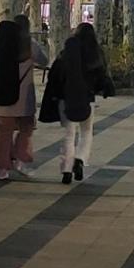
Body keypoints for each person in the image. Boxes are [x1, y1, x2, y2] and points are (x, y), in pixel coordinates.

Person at [42, 23, 115, 184]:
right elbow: (101, 77)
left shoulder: (66, 54)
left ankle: (66, 170)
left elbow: (54, 76)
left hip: (65, 100)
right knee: (86, 132)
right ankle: (80, 159)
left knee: (68, 135)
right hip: (87, 99)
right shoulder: (95, 54)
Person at [0, 19, 46, 180]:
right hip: (23, 98)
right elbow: (44, 60)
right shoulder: (30, 45)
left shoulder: (0, 44)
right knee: (26, 130)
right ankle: (20, 159)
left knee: (3, 134)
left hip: (2, 97)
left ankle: (2, 169)